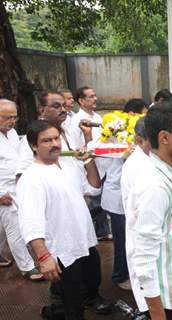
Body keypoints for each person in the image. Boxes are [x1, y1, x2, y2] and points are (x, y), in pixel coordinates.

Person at [16, 120, 113, 319]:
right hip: (62, 250)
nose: (54, 144)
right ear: (34, 146)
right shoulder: (31, 178)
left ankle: (53, 312)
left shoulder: (69, 166)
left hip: (84, 242)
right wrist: (43, 257)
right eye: (46, 141)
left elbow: (94, 187)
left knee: (91, 283)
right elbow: (30, 222)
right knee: (73, 302)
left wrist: (87, 161)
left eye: (56, 138)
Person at [131, 102, 172, 319]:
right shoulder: (155, 187)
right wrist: (157, 313)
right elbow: (143, 257)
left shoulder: (169, 175)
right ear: (164, 138)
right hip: (167, 304)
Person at [101, 98, 148, 291]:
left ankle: (127, 272)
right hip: (117, 197)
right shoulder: (118, 135)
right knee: (123, 240)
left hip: (127, 196)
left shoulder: (128, 135)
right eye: (143, 113)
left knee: (130, 238)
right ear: (132, 115)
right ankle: (120, 276)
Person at [0, 99, 42, 281]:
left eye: (14, 117)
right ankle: (27, 267)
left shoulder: (12, 133)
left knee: (2, 228)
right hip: (4, 190)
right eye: (7, 117)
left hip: (16, 185)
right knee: (15, 228)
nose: (12, 121)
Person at [69, 86, 111, 241]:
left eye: (95, 96)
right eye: (90, 97)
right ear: (81, 101)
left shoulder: (98, 117)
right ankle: (88, 233)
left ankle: (102, 231)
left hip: (103, 163)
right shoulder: (77, 120)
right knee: (92, 202)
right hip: (90, 163)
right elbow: (78, 145)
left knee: (100, 200)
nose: (95, 99)